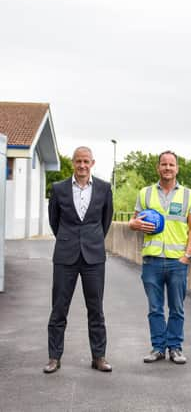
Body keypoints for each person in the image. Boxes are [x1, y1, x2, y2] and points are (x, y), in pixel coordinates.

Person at [44, 146, 114, 374]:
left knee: (96, 309)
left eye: (86, 161)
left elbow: (105, 220)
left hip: (94, 257)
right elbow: (54, 221)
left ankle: (99, 357)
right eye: (78, 161)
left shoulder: (104, 188)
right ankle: (54, 358)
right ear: (73, 163)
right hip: (65, 256)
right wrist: (68, 239)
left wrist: (91, 240)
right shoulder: (59, 188)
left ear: (92, 163)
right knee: (58, 309)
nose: (82, 166)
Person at [128, 151, 191, 365]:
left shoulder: (188, 194)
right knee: (155, 308)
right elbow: (132, 222)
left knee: (177, 307)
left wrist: (187, 256)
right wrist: (135, 224)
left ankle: (175, 348)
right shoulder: (145, 193)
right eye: (164, 164)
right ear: (158, 168)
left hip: (178, 262)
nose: (168, 168)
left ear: (177, 168)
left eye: (172, 165)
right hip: (152, 260)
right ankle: (158, 347)